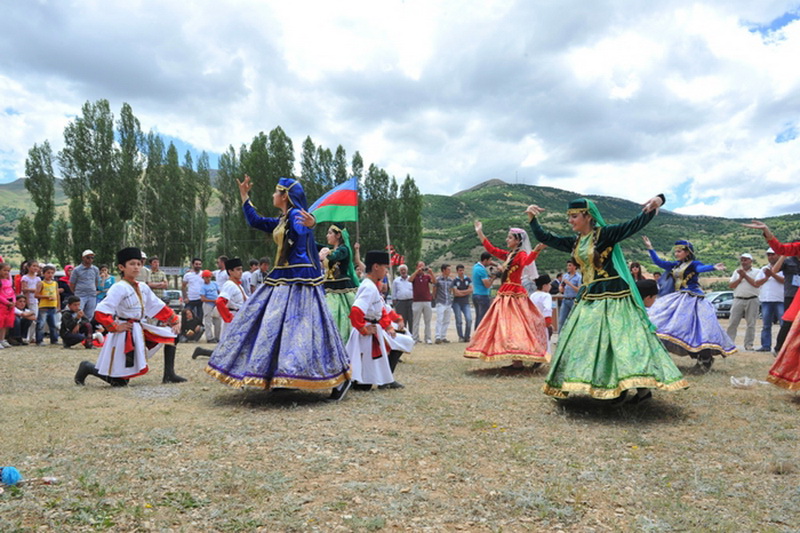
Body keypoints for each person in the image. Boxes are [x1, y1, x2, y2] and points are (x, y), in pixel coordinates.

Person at [528, 195, 688, 402]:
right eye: (570, 217)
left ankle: (636, 388)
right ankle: (607, 386)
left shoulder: (606, 234)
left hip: (615, 297)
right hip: (590, 298)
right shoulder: (576, 242)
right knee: (590, 343)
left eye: (574, 216)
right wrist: (533, 219)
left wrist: (659, 200)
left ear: (588, 216)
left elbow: (633, 225)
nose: (570, 221)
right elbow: (548, 238)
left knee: (623, 343)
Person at [205, 176, 351, 398]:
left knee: (295, 327)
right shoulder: (283, 219)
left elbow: (303, 231)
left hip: (299, 280)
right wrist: (244, 195)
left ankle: (310, 375)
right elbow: (256, 221)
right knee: (278, 326)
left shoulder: (295, 215)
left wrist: (311, 223)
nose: (273, 196)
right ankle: (280, 374)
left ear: (285, 196)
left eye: (276, 192)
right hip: (283, 277)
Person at [74, 247, 184, 387]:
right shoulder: (118, 287)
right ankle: (87, 367)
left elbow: (156, 306)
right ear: (122, 267)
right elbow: (101, 311)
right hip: (124, 334)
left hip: (139, 328)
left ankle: (169, 374)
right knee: (120, 383)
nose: (136, 267)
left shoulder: (143, 287)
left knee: (172, 335)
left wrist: (174, 320)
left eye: (139, 264)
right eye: (132, 264)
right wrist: (115, 326)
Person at [642, 236, 735, 372]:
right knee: (667, 324)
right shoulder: (676, 265)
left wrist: (713, 267)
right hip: (679, 298)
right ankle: (697, 356)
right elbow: (659, 262)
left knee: (698, 329)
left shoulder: (693, 264)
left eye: (679, 251)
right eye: (676, 251)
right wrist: (650, 248)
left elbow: (701, 269)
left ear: (687, 252)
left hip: (694, 299)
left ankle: (705, 359)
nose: (676, 253)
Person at [464, 222, 549, 370]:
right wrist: (480, 232)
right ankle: (516, 361)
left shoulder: (521, 254)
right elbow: (491, 249)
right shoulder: (509, 254)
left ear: (517, 240)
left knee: (516, 325)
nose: (507, 240)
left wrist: (536, 251)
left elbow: (527, 262)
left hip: (514, 294)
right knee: (506, 325)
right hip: (506, 293)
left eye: (509, 238)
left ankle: (522, 358)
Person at [742, 221, 800, 389]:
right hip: (796, 297)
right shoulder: (797, 247)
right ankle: (780, 352)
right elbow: (781, 249)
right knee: (789, 325)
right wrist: (767, 231)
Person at [345, 250, 413, 391]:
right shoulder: (369, 287)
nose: (386, 271)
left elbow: (381, 309)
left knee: (400, 342)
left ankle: (384, 379)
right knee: (364, 381)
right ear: (376, 266)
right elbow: (356, 311)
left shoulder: (371, 286)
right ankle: (377, 381)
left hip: (372, 330)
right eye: (385, 267)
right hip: (367, 333)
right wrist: (364, 329)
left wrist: (388, 325)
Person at [317, 224, 360, 344]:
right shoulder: (330, 249)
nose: (327, 235)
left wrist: (326, 253)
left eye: (330, 233)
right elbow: (315, 246)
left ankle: (343, 342)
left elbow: (335, 256)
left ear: (338, 235)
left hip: (342, 289)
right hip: (327, 287)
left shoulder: (344, 249)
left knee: (340, 315)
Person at [727, 252, 760, 351]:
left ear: (751, 261)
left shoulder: (757, 272)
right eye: (742, 260)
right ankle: (729, 343)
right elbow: (731, 285)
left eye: (745, 260)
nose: (743, 262)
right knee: (733, 322)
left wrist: (745, 275)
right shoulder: (736, 272)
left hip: (752, 299)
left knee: (751, 323)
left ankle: (749, 344)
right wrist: (740, 277)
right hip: (738, 299)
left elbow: (756, 284)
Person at [754, 248, 785, 352]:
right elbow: (756, 283)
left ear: (779, 255)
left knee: (783, 324)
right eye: (769, 255)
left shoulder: (785, 267)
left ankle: (783, 346)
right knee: (766, 325)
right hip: (766, 300)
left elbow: (785, 281)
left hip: (781, 299)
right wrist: (767, 277)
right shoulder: (764, 269)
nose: (771, 257)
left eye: (773, 254)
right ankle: (766, 346)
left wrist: (773, 274)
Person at [34, 265, 60, 345]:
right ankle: (39, 340)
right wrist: (46, 297)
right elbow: (36, 295)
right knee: (41, 324)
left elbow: (57, 295)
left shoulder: (55, 283)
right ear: (44, 273)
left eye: (52, 273)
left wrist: (58, 305)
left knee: (54, 324)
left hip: (53, 305)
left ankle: (54, 339)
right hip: (44, 306)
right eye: (48, 273)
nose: (50, 275)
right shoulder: (41, 283)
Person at [409, 261, 434, 344]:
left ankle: (428, 338)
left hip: (427, 300)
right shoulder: (414, 277)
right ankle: (415, 338)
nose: (421, 268)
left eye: (423, 266)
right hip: (417, 301)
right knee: (416, 321)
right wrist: (417, 271)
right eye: (420, 266)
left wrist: (431, 273)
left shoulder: (427, 276)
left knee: (427, 321)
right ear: (417, 267)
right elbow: (410, 280)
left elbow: (434, 282)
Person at [70, 249, 100, 318]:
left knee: (90, 315)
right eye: (88, 257)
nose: (90, 259)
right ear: (83, 258)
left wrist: (93, 289)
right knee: (78, 313)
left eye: (92, 258)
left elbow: (96, 281)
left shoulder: (95, 269)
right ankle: (77, 328)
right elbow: (72, 283)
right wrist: (76, 293)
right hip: (80, 295)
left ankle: (86, 328)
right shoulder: (76, 270)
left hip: (91, 295)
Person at [529, 274, 554, 353]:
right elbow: (547, 309)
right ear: (544, 285)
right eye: (549, 284)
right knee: (545, 339)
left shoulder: (532, 295)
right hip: (543, 321)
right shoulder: (546, 296)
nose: (550, 286)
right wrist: (548, 322)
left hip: (532, 321)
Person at [471, 252, 495, 329]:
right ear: (485, 260)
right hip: (482, 295)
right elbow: (487, 285)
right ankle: (480, 336)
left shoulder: (475, 267)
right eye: (489, 260)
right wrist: (494, 277)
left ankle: (476, 335)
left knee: (478, 317)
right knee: (483, 318)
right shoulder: (481, 270)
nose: (490, 262)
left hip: (476, 294)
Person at [432, 264, 454, 344]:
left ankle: (443, 336)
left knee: (447, 320)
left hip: (448, 302)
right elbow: (434, 289)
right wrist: (435, 298)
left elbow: (450, 290)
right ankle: (438, 336)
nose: (449, 271)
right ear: (444, 270)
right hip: (440, 302)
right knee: (439, 319)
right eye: (448, 269)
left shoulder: (450, 280)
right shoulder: (438, 279)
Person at [558, 259, 582, 331]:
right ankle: (560, 338)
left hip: (574, 300)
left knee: (574, 319)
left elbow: (579, 290)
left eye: (570, 265)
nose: (568, 267)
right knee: (561, 320)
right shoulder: (565, 276)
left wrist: (569, 284)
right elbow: (560, 287)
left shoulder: (579, 277)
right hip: (565, 300)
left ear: (575, 267)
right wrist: (561, 288)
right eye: (567, 265)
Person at [452, 264, 473, 342]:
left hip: (465, 302)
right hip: (457, 302)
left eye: (462, 270)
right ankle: (460, 336)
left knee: (469, 319)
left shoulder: (468, 279)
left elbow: (471, 290)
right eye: (460, 270)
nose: (462, 272)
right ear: (457, 271)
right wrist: (466, 292)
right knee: (459, 320)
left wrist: (461, 292)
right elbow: (455, 293)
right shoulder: (455, 281)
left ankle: (467, 336)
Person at [391, 264, 414, 334]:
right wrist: (395, 302)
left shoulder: (411, 279)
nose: (403, 271)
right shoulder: (396, 281)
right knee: (401, 319)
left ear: (407, 270)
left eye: (404, 270)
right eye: (401, 270)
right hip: (400, 302)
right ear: (399, 272)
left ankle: (412, 334)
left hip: (411, 301)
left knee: (411, 319)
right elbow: (393, 292)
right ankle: (403, 334)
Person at [199, 270, 221, 343]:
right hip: (208, 304)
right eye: (206, 277)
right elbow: (203, 298)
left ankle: (217, 336)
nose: (208, 279)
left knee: (217, 320)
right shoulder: (203, 287)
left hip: (216, 304)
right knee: (208, 321)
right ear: (203, 278)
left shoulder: (214, 284)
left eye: (209, 277)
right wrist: (212, 301)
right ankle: (209, 337)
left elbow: (219, 292)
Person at [0, 262, 15, 349]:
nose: (6, 272)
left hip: (9, 306)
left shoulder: (8, 281)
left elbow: (12, 292)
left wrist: (13, 301)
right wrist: (6, 302)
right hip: (2, 305)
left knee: (5, 324)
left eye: (8, 271)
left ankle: (2, 339)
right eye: (4, 270)